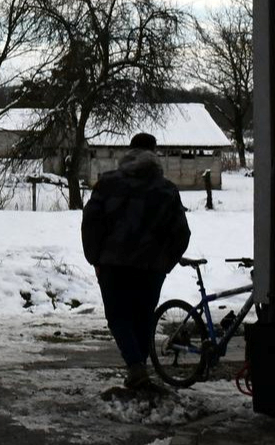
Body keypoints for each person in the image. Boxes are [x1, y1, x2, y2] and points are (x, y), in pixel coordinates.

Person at [82, 131, 192, 391]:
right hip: (151, 268)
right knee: (143, 317)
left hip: (113, 265)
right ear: (155, 155)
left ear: (128, 152)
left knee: (119, 316)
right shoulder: (167, 190)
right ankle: (138, 371)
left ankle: (136, 368)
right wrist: (165, 262)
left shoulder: (108, 183)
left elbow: (91, 222)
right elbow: (181, 233)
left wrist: (95, 258)